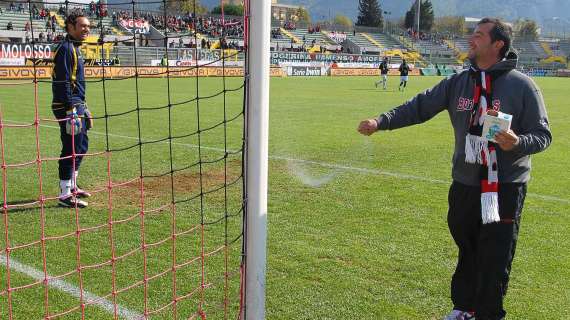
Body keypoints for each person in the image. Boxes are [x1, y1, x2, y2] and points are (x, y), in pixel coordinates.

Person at [357, 17, 551, 320]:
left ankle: (488, 314)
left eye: (477, 35)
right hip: (464, 184)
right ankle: (464, 309)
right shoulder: (460, 81)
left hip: (505, 186)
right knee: (468, 249)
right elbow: (419, 106)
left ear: (497, 44)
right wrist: (381, 121)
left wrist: (517, 142)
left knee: (495, 256)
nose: (470, 40)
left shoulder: (523, 86)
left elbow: (543, 136)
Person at [52, 12, 93, 208]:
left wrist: (84, 108)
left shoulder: (75, 48)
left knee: (82, 145)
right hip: (67, 106)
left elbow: (76, 83)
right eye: (83, 26)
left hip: (77, 105)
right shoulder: (66, 49)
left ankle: (73, 186)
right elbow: (63, 83)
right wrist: (71, 110)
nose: (87, 29)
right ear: (70, 26)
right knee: (71, 148)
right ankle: (65, 195)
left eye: (88, 26)